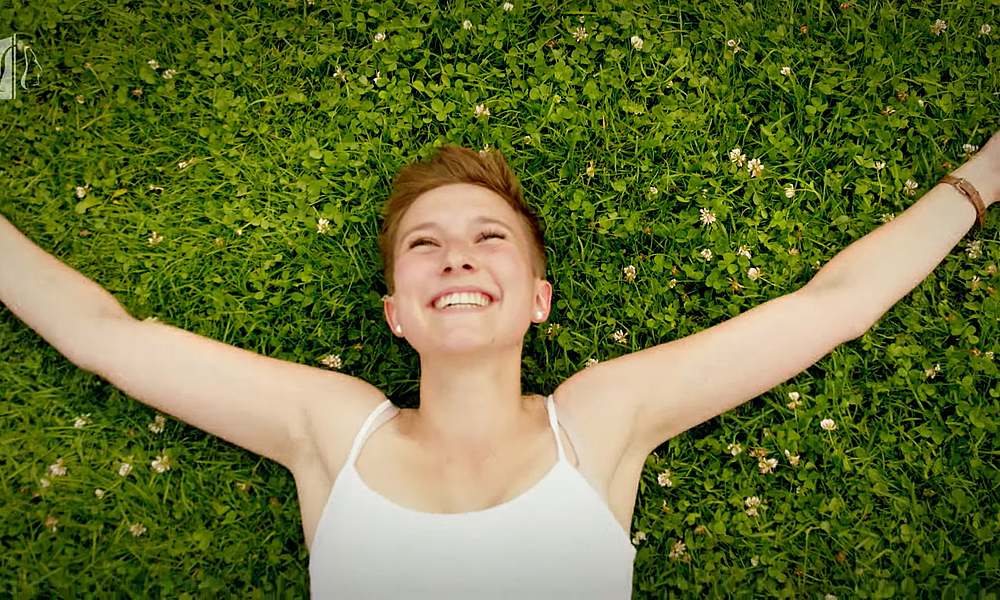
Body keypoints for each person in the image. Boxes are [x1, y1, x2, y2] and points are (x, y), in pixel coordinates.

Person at [0, 135, 996, 598]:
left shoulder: (600, 420)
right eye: (424, 245)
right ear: (395, 313)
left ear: (538, 299)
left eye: (489, 239)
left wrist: (983, 178)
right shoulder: (329, 425)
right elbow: (107, 337)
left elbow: (831, 308)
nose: (458, 258)